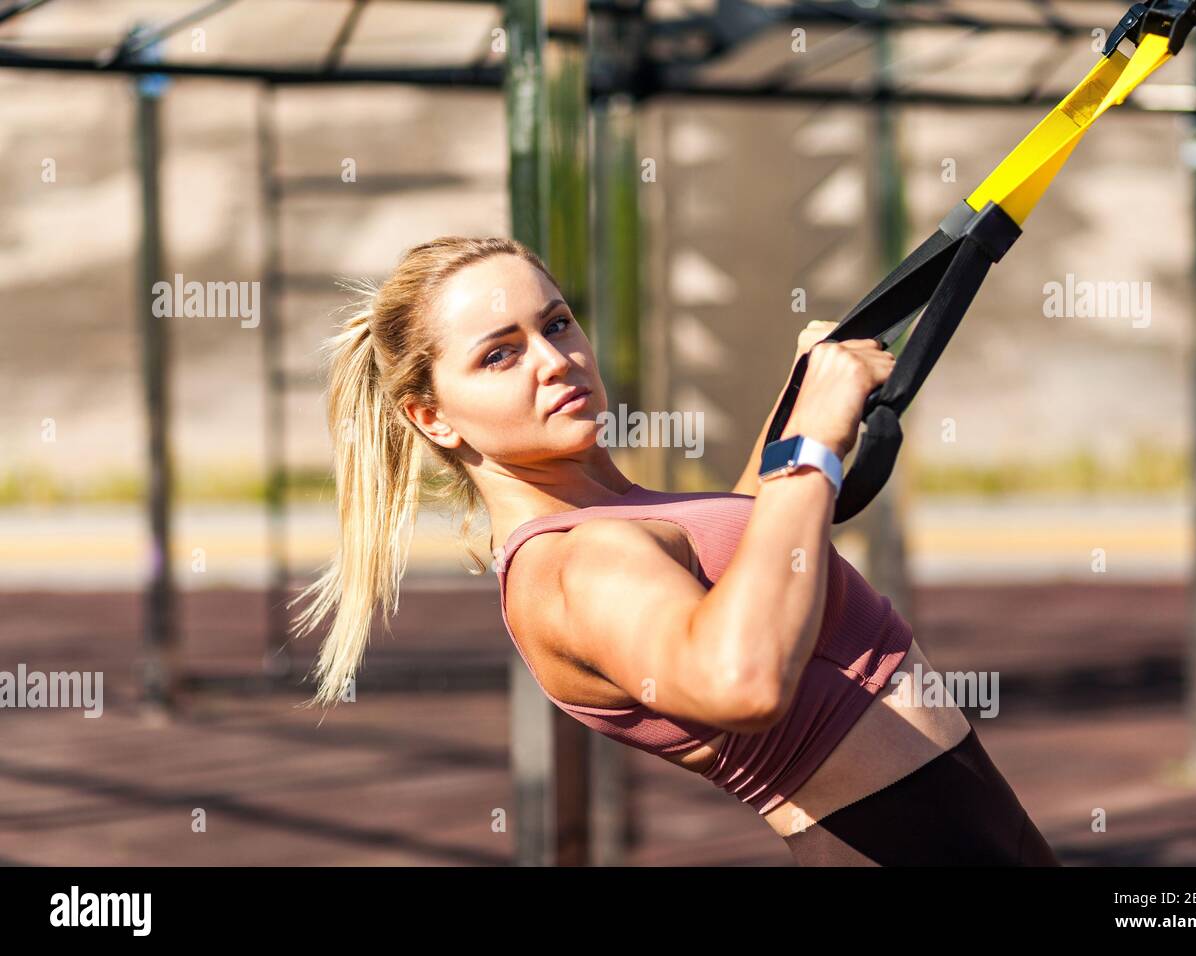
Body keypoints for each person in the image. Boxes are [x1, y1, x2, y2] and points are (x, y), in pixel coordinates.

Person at [289, 235, 1061, 867]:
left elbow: (750, 554)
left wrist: (798, 399)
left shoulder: (620, 515)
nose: (555, 361)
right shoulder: (571, 564)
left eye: (555, 324)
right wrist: (814, 439)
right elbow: (742, 682)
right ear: (433, 418)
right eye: (500, 355)